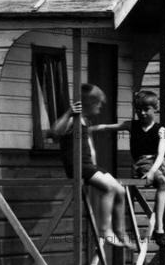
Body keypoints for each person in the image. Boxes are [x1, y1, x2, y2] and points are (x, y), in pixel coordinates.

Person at [91, 90, 165, 265]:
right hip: (142, 162)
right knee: (162, 182)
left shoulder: (161, 130)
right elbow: (108, 127)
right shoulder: (132, 126)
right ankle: (159, 229)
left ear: (154, 109)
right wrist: (88, 129)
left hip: (160, 164)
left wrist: (154, 171)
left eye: (146, 109)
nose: (142, 113)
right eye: (139, 110)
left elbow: (161, 154)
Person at [52, 83, 135, 251]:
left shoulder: (84, 121)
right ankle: (105, 230)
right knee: (109, 188)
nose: (101, 107)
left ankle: (120, 231)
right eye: (98, 103)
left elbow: (90, 147)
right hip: (78, 165)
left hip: (88, 165)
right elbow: (55, 132)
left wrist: (97, 166)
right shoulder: (72, 119)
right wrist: (69, 112)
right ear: (89, 103)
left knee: (119, 190)